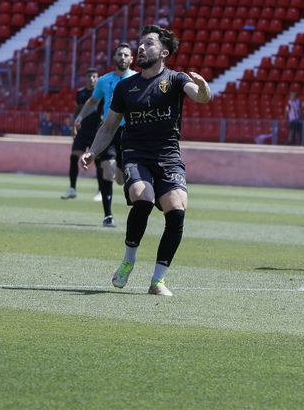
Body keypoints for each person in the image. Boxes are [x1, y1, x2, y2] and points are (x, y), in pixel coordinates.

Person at [81, 25, 211, 297]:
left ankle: (158, 281)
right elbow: (109, 126)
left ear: (163, 52)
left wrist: (203, 88)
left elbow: (199, 97)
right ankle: (129, 259)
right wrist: (92, 151)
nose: (141, 48)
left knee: (176, 209)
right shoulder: (126, 87)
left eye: (148, 44)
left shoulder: (176, 79)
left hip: (168, 156)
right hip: (136, 154)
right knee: (143, 196)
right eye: (140, 43)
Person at [72, 44, 136, 227]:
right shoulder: (104, 80)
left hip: (130, 132)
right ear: (114, 57)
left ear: (131, 59)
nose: (122, 57)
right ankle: (108, 215)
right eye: (119, 54)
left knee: (121, 178)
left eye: (126, 55)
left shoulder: (137, 79)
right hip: (108, 129)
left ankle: (119, 171)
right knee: (107, 166)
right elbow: (93, 101)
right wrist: (80, 116)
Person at [62, 68, 100, 199]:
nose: (92, 79)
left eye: (94, 77)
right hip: (83, 131)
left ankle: (100, 191)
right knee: (73, 157)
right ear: (86, 78)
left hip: (97, 131)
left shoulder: (101, 93)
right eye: (89, 76)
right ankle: (72, 189)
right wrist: (74, 126)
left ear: (98, 78)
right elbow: (77, 110)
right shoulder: (81, 93)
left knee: (99, 161)